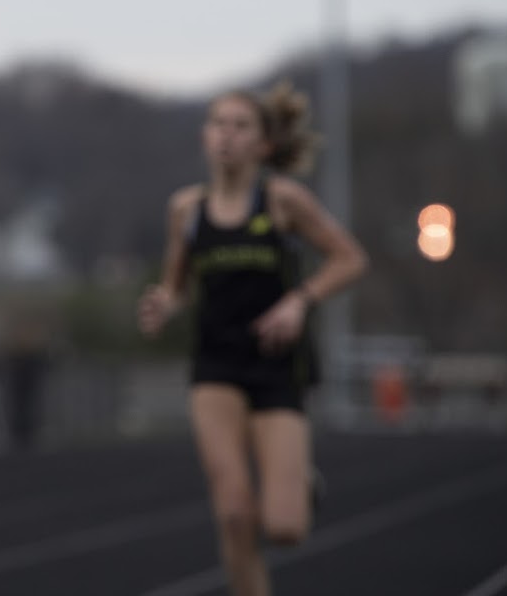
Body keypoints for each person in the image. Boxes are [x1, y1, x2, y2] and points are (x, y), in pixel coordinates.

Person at [138, 83, 367, 596]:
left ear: (264, 144)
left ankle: (300, 484)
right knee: (235, 515)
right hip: (215, 367)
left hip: (276, 365)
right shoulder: (187, 210)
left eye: (241, 126)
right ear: (205, 137)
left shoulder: (283, 200)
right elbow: (177, 286)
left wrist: (299, 301)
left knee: (284, 528)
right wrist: (164, 304)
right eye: (219, 124)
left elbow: (351, 259)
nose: (227, 135)